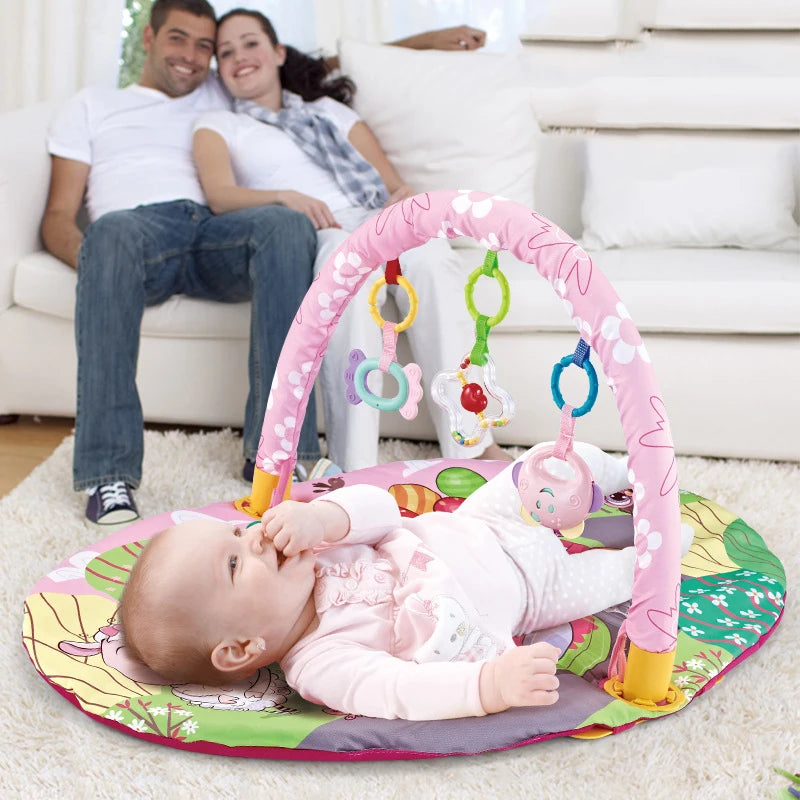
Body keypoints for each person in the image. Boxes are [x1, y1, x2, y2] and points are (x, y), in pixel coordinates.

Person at [119, 443, 693, 720]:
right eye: (235, 564)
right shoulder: (323, 664)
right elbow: (401, 692)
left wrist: (324, 515)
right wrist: (488, 686)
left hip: (480, 521)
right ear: (241, 648)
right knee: (628, 576)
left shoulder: (314, 544)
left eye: (241, 533)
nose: (256, 539)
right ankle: (671, 542)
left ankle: (629, 475)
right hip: (533, 595)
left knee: (548, 460)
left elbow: (383, 509)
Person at [191, 9, 510, 473]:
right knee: (350, 288)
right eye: (226, 52)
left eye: (251, 43)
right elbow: (219, 196)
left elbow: (390, 184)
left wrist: (404, 202)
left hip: (375, 216)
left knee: (434, 265)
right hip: (323, 229)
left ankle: (475, 446)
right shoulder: (219, 124)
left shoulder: (330, 112)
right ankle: (353, 465)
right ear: (219, 69)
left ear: (278, 52)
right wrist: (284, 197)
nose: (240, 57)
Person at [41, 0, 321, 528]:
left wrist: (430, 41)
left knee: (286, 223)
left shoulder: (220, 89)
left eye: (203, 46)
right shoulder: (92, 103)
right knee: (112, 232)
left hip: (217, 229)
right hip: (136, 232)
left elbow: (312, 66)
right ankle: (109, 473)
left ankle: (275, 456)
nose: (191, 56)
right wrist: (105, 268)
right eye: (177, 39)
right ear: (147, 38)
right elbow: (58, 216)